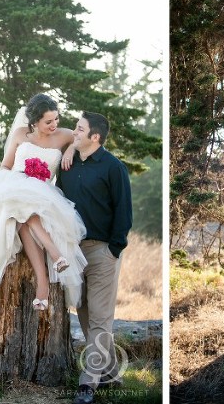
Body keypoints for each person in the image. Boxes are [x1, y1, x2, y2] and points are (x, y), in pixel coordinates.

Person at [0, 93, 87, 311]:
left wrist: (71, 149)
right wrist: (16, 180)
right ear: (34, 122)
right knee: (22, 212)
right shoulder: (20, 134)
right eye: (48, 121)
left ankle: (44, 281)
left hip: (44, 192)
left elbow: (79, 138)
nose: (54, 124)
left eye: (56, 119)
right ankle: (52, 261)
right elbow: (5, 166)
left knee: (26, 216)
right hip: (15, 183)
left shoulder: (63, 135)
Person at [56, 112, 132, 404]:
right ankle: (111, 372)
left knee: (100, 318)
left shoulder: (114, 168)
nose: (74, 132)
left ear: (95, 137)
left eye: (80, 129)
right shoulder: (68, 163)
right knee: (85, 315)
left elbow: (124, 212)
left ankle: (87, 386)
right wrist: (71, 147)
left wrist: (113, 249)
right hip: (73, 251)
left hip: (102, 251)